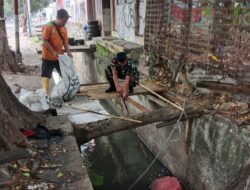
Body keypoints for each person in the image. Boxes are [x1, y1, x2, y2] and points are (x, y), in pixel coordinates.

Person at [41, 9, 73, 95]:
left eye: (66, 20)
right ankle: (45, 94)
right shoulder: (48, 26)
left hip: (60, 57)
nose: (65, 22)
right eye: (63, 20)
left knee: (64, 74)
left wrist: (68, 52)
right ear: (58, 18)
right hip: (48, 56)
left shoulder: (64, 28)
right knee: (46, 76)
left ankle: (67, 91)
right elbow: (45, 41)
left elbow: (65, 42)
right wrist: (53, 52)